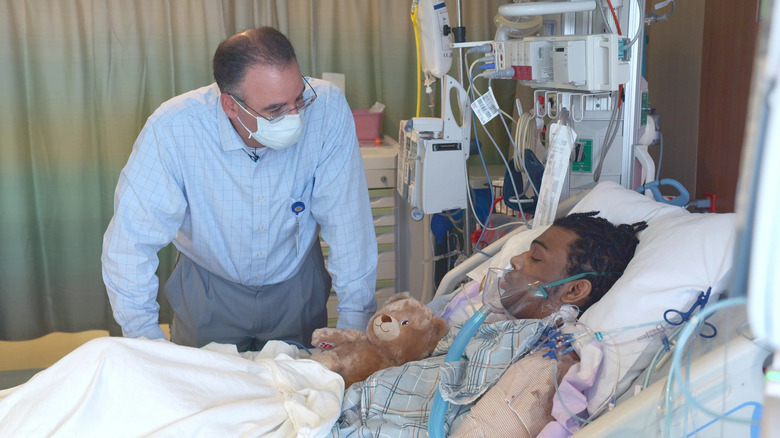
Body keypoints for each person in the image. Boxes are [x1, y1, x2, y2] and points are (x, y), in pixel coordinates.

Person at [101, 27, 378, 352]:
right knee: (205, 382)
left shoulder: (327, 109)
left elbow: (349, 226)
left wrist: (354, 330)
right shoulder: (173, 129)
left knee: (300, 380)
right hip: (209, 289)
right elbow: (130, 245)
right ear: (231, 106)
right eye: (275, 110)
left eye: (299, 99)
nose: (295, 118)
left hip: (295, 285)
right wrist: (147, 346)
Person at [334, 212, 648, 436]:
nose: (516, 260)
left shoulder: (545, 361)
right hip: (343, 404)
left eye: (535, 258)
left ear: (574, 290)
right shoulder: (499, 328)